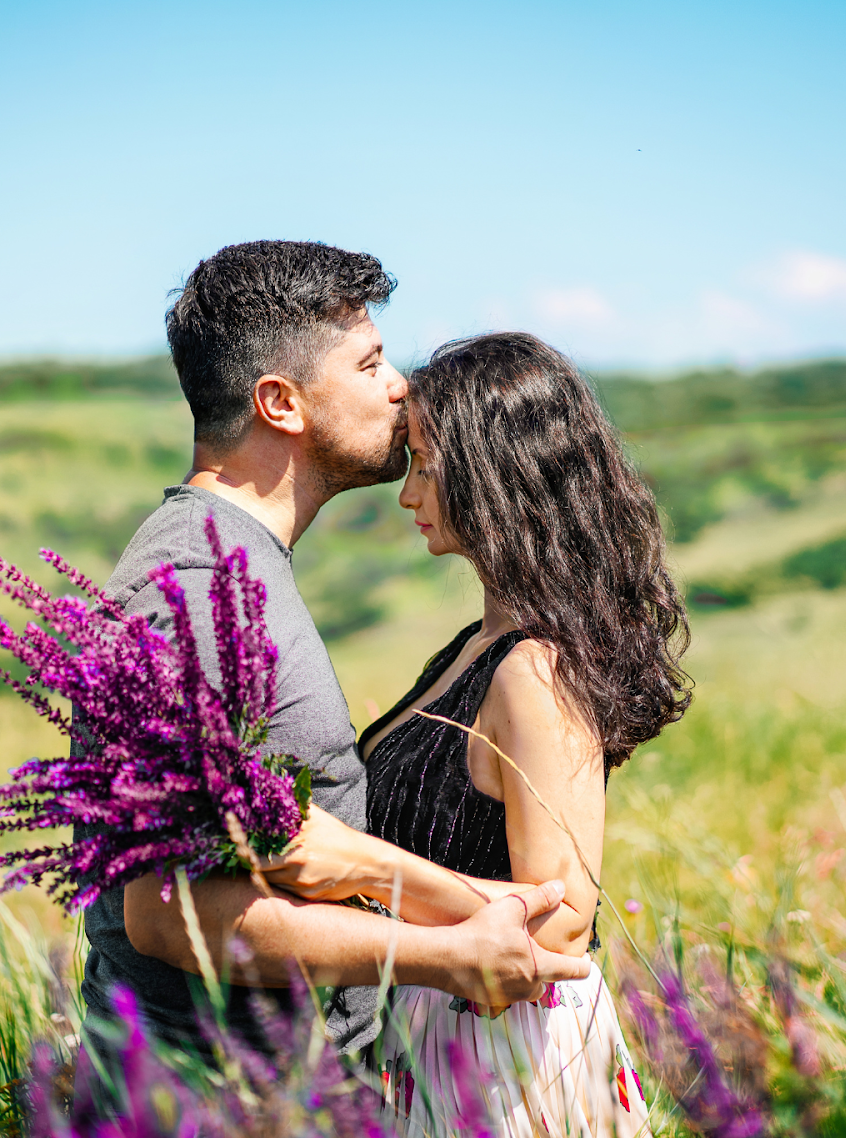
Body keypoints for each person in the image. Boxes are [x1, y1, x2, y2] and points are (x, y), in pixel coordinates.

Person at [78, 243, 592, 1071]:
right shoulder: (202, 591)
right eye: (371, 362)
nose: (400, 386)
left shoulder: (231, 569)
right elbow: (168, 914)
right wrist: (441, 953)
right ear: (280, 403)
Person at [262, 332, 693, 1135]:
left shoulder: (533, 672)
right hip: (448, 1034)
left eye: (424, 464)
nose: (406, 493)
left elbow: (561, 923)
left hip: (509, 1057)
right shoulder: (475, 647)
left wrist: (359, 868)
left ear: (495, 472)